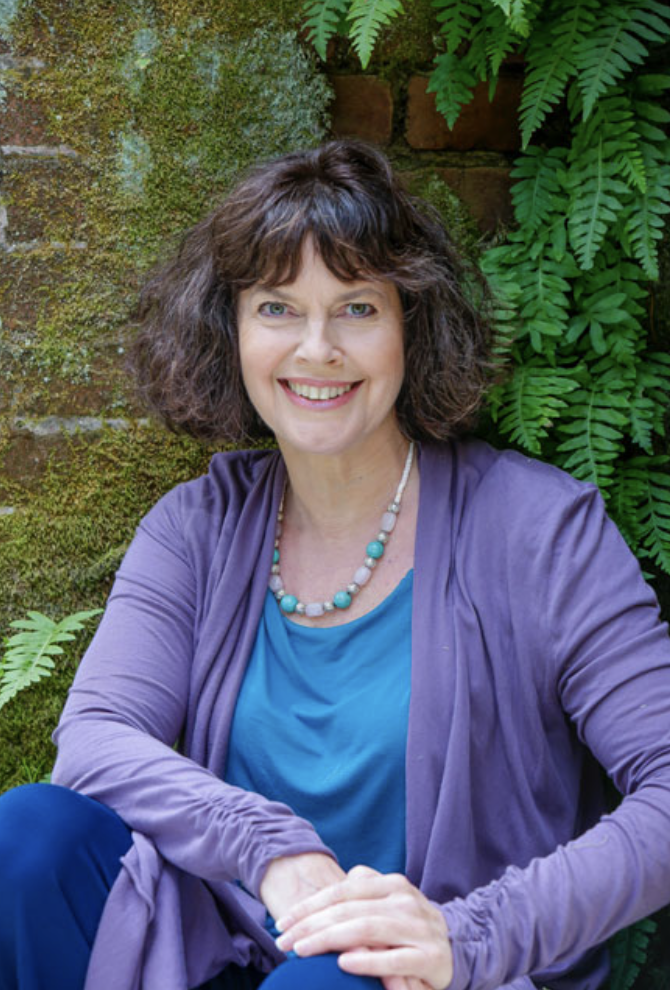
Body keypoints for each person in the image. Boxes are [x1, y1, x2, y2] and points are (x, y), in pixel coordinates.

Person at [1, 139, 669, 990]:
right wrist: (269, 849)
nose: (316, 349)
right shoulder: (197, 528)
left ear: (411, 327)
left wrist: (471, 936)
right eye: (278, 308)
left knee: (332, 976)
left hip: (439, 970)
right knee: (28, 838)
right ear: (231, 331)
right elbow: (94, 742)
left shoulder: (541, 532)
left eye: (356, 309)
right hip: (224, 955)